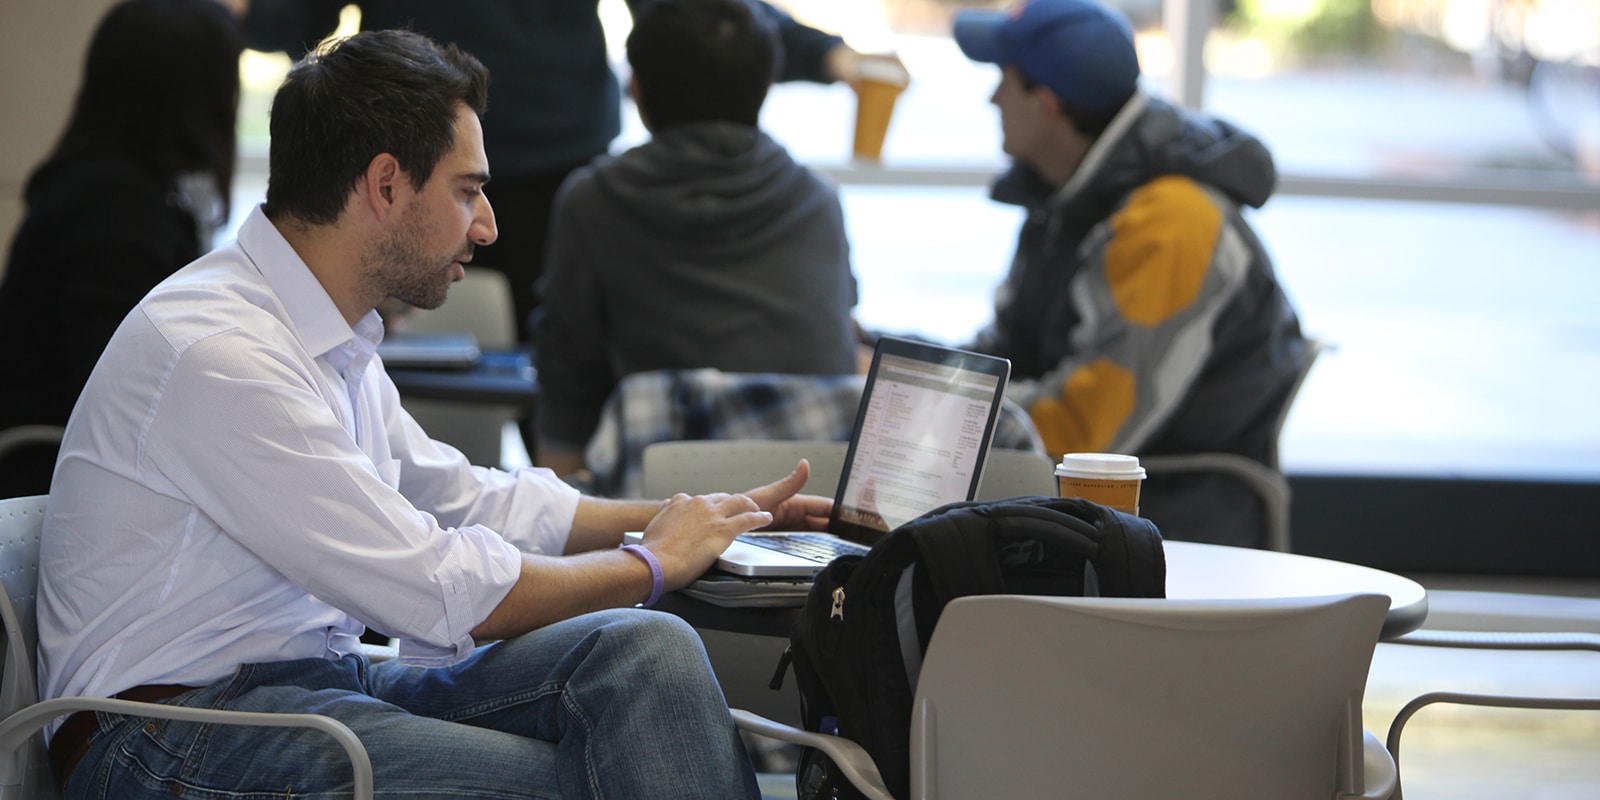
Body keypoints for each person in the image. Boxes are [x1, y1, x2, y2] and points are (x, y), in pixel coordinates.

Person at [37, 29, 830, 799]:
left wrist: (689, 520)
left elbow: (458, 495)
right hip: (159, 734)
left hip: (304, 686)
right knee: (591, 779)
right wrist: (651, 564)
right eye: (469, 190)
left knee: (645, 650)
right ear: (386, 186)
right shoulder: (221, 351)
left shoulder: (321, 331)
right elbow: (436, 587)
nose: (488, 225)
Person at [237, 0, 889, 344]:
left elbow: (700, 16)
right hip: (415, 174)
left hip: (553, 175)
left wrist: (827, 55)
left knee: (548, 379)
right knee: (379, 379)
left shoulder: (597, 203)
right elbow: (293, 17)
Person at [951, 0, 1310, 548]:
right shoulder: (1068, 198)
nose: (991, 97)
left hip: (1163, 533)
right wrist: (912, 369)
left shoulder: (1172, 224)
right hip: (1081, 519)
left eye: (1005, 79)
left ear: (1047, 104)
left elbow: (1084, 437)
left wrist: (945, 409)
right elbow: (1003, 351)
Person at [533, 0, 861, 479]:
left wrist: (560, 506)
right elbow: (840, 340)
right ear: (765, 85)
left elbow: (568, 372)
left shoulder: (594, 201)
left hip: (662, 500)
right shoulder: (819, 200)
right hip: (814, 490)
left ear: (637, 90)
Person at [0, 0, 241, 497]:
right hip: (59, 483)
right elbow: (126, 389)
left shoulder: (115, 188)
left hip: (84, 468)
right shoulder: (116, 209)